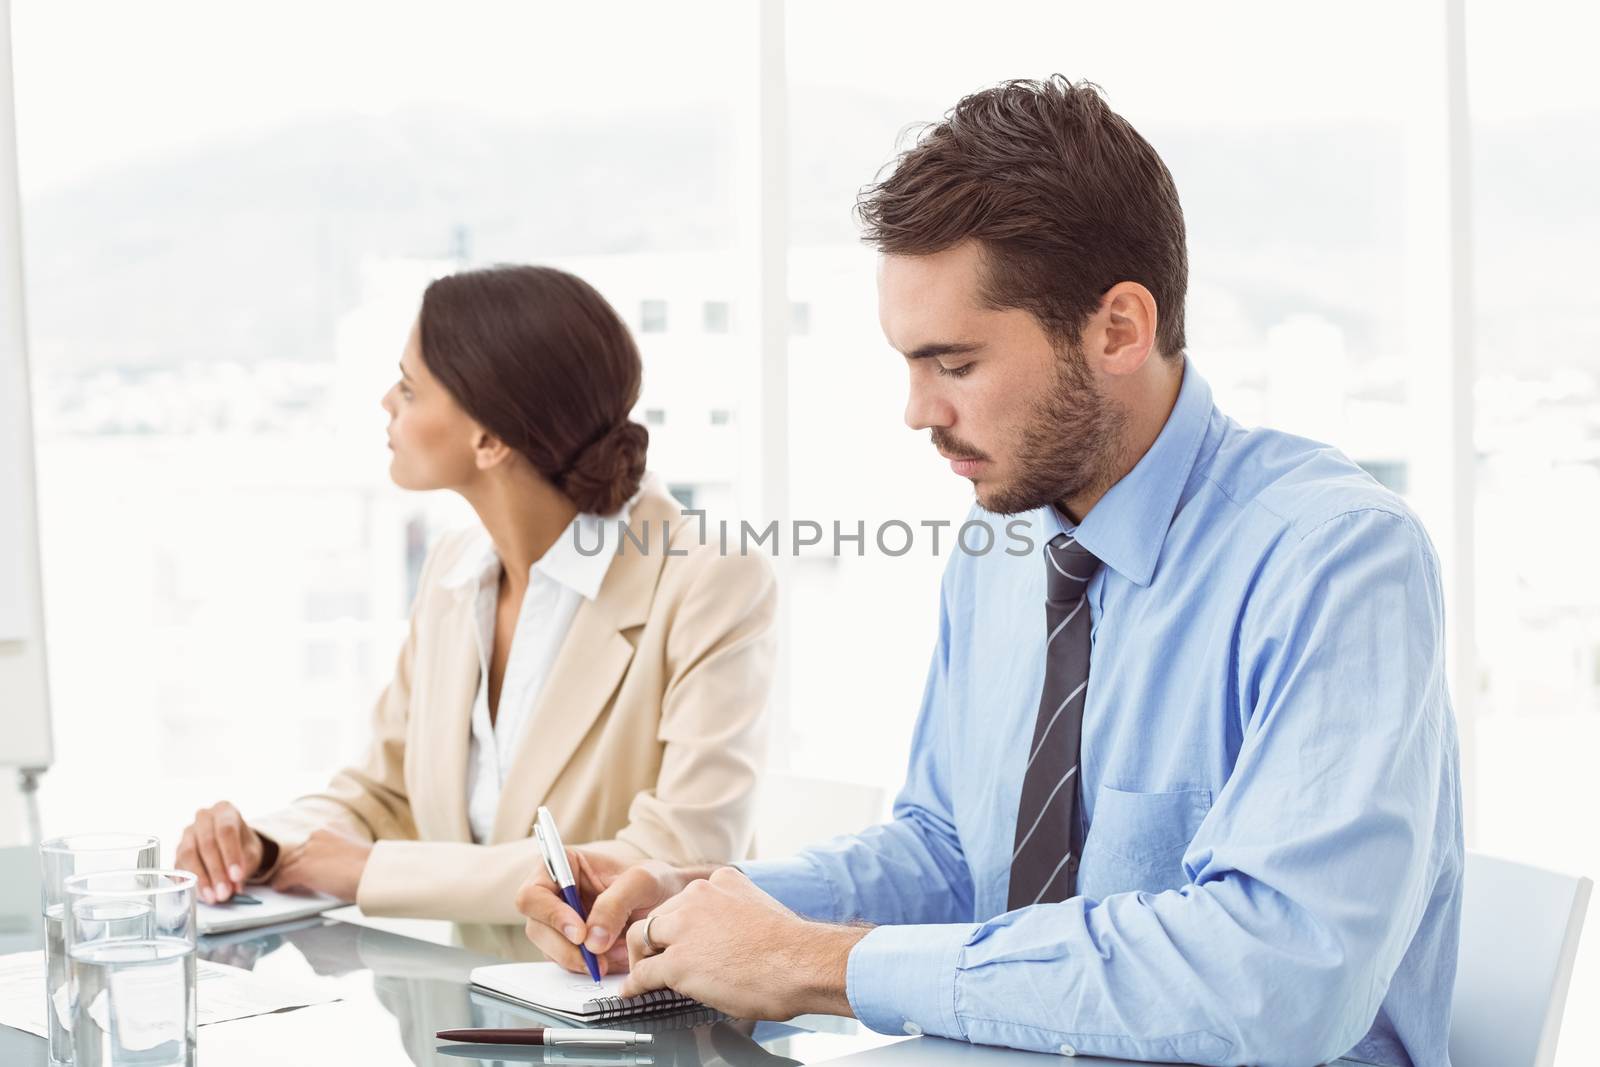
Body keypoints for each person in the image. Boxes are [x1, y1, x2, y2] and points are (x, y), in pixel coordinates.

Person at [516, 78, 1463, 1066]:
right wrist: (711, 905)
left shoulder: (1334, 558)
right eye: (908, 363)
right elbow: (949, 850)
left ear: (1118, 329)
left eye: (954, 363)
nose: (917, 411)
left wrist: (825, 963)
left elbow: (1275, 975)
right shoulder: (1004, 542)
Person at [175, 264, 777, 960]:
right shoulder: (454, 571)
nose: (385, 403)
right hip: (469, 1012)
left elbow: (676, 852)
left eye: (408, 387)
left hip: (639, 1017)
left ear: (490, 440)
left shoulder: (709, 578)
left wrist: (373, 873)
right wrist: (267, 843)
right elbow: (385, 791)